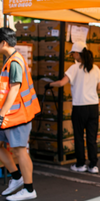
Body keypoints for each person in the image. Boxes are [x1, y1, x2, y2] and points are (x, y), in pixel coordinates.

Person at [47, 41, 100, 174]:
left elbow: (61, 83)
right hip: (93, 106)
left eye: (73, 54)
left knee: (79, 136)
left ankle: (80, 164)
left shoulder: (74, 68)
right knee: (91, 137)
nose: (72, 56)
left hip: (79, 106)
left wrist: (49, 85)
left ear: (78, 53)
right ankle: (93, 165)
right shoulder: (95, 68)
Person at [0, 27, 41, 200]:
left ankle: (29, 189)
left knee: (20, 151)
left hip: (17, 115)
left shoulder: (15, 61)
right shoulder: (10, 60)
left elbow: (14, 90)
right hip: (11, 115)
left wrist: (1, 114)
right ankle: (17, 178)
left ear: (3, 43)